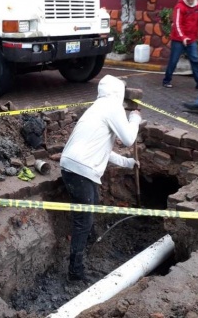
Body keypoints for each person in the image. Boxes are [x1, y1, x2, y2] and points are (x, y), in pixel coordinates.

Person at [60, 75, 142, 282]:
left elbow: (103, 150)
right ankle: (75, 272)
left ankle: (91, 240)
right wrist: (135, 119)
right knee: (83, 220)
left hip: (73, 166)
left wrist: (128, 163)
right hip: (81, 169)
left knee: (91, 205)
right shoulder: (111, 108)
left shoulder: (96, 108)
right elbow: (129, 139)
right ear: (117, 93)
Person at [162, 0, 198, 90]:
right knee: (174, 60)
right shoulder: (179, 7)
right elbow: (177, 24)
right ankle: (166, 80)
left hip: (191, 39)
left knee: (195, 60)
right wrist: (183, 37)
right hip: (178, 39)